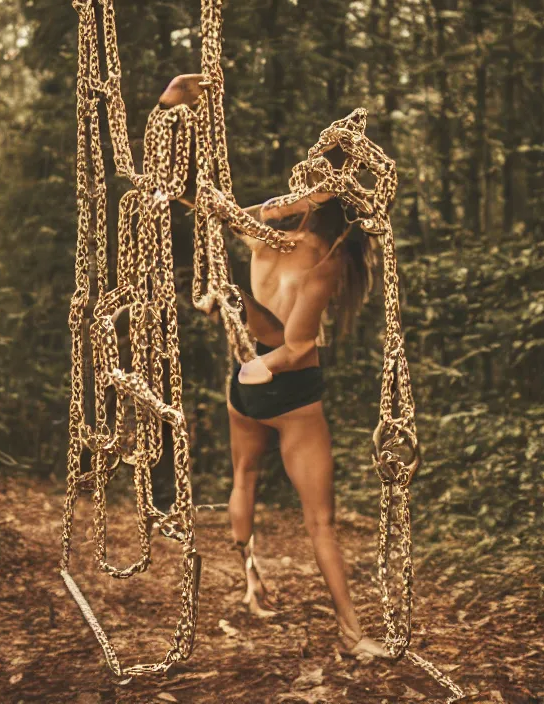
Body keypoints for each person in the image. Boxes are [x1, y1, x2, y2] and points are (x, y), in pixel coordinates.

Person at [158, 74, 389, 658]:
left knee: (244, 480)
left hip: (249, 380)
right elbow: (300, 347)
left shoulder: (265, 239)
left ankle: (252, 585)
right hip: (290, 392)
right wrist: (270, 368)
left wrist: (170, 104)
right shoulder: (326, 266)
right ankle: (353, 635)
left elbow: (197, 196)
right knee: (320, 524)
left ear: (314, 200)